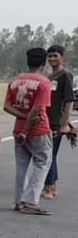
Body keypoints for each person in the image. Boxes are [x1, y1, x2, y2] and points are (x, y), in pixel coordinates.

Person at [4, 47, 53, 215]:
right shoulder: (44, 82)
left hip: (18, 128)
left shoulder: (15, 80)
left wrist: (23, 119)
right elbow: (37, 109)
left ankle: (18, 201)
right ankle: (31, 201)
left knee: (21, 167)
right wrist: (27, 128)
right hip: (38, 130)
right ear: (44, 62)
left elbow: (6, 106)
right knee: (42, 163)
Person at [41, 44, 74, 199]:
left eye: (55, 56)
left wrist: (65, 123)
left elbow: (69, 101)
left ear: (62, 57)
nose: (52, 59)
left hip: (56, 121)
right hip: (46, 120)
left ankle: (48, 187)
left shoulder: (65, 75)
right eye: (50, 56)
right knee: (49, 154)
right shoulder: (49, 77)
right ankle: (52, 185)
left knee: (49, 154)